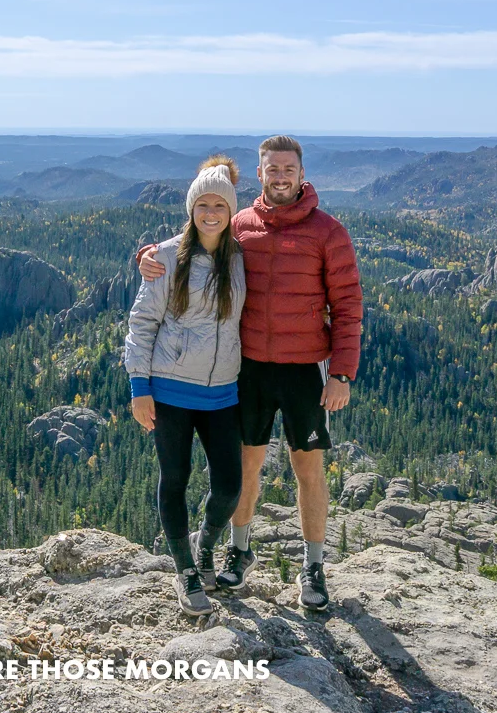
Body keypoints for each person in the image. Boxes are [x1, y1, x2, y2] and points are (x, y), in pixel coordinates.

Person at [139, 135, 361, 611]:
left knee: (309, 468)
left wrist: (341, 372)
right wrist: (149, 256)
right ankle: (239, 553)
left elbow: (348, 306)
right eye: (271, 169)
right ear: (259, 174)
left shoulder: (329, 232)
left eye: (288, 169)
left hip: (306, 369)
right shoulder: (240, 225)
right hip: (249, 368)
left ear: (302, 173)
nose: (280, 176)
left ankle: (313, 567)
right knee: (245, 468)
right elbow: (196, 238)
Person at [125, 156, 247, 617]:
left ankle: (206, 546)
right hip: (171, 390)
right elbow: (141, 323)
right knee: (174, 480)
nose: (211, 212)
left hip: (223, 392)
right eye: (203, 204)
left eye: (220, 204)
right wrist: (140, 387)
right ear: (192, 208)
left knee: (230, 485)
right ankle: (185, 571)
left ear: (231, 211)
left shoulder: (240, 259)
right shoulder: (164, 259)